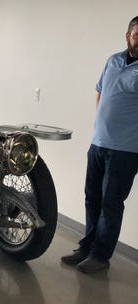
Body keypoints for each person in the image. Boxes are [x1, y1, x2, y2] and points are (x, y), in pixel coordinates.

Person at [61, 16, 138, 273]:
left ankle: (100, 256)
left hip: (127, 150)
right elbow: (100, 92)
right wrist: (101, 127)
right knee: (92, 197)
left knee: (111, 203)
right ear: (127, 36)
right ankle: (87, 246)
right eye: (137, 35)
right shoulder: (113, 60)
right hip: (98, 143)